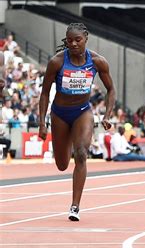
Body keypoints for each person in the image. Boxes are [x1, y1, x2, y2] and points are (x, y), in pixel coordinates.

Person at [38, 23, 116, 221]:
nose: (73, 44)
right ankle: (66, 145)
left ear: (86, 38)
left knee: (81, 154)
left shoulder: (98, 62)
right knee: (62, 164)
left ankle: (75, 206)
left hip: (83, 112)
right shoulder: (57, 62)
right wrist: (42, 122)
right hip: (59, 114)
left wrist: (107, 115)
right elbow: (45, 92)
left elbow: (111, 90)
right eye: (70, 40)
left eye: (77, 40)